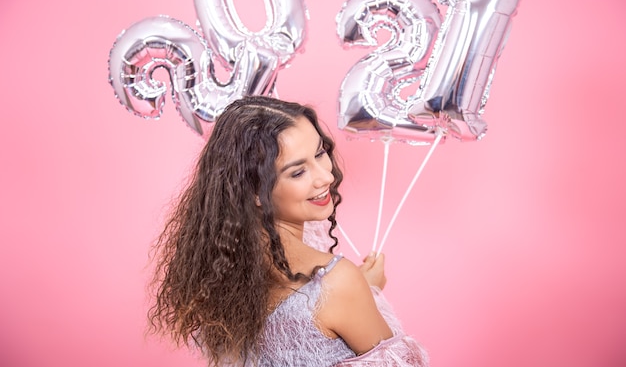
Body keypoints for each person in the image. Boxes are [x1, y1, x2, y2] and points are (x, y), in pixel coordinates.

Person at [148, 96, 428, 366]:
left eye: (320, 153)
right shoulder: (336, 284)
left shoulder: (220, 280)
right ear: (255, 190)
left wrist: (364, 292)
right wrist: (364, 293)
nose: (326, 176)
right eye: (297, 172)